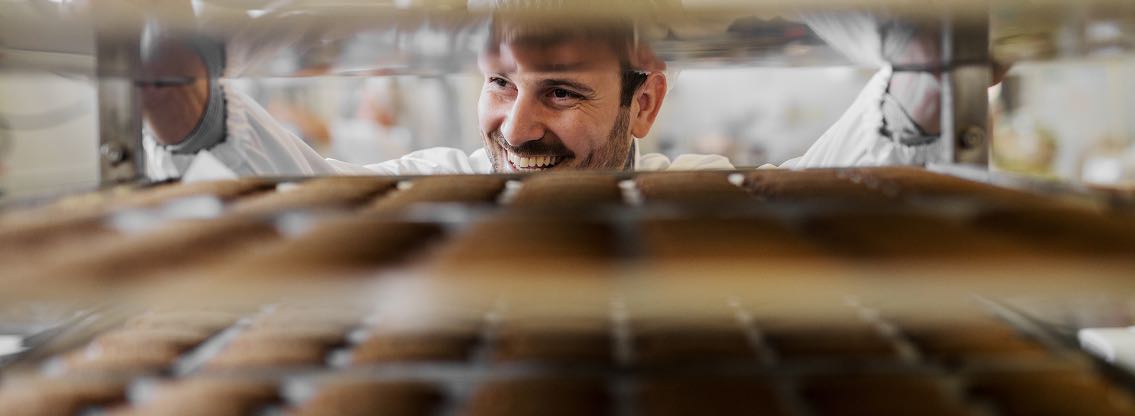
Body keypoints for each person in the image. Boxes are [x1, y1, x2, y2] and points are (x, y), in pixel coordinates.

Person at [140, 11, 962, 179]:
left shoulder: (703, 202)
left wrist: (931, 73)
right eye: (500, 84)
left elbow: (862, 171)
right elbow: (288, 198)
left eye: (561, 92)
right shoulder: (433, 191)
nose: (516, 124)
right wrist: (182, 99)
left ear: (643, 106)